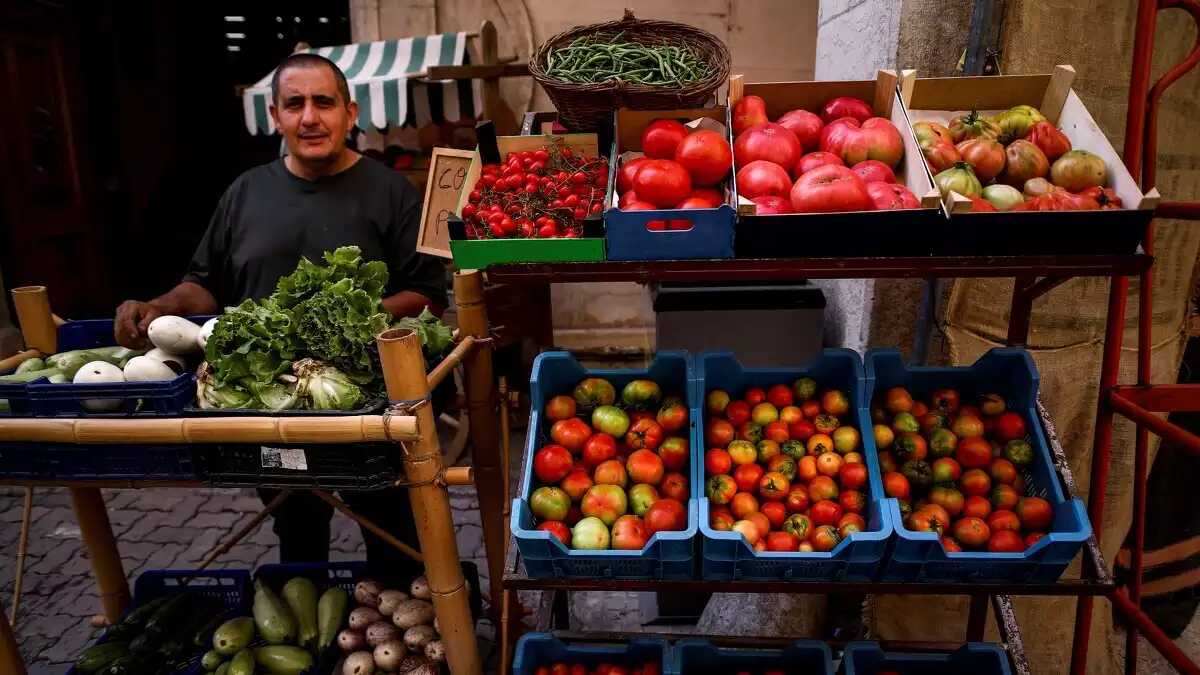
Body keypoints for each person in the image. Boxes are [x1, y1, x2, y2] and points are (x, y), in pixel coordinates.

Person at [113, 53, 446, 581]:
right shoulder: (245, 191)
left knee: (390, 523)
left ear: (350, 112)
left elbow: (428, 296)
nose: (309, 117)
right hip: (265, 398)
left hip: (363, 402)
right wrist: (159, 307)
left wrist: (335, 321)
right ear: (276, 116)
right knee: (294, 520)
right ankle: (311, 627)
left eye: (323, 102)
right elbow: (205, 285)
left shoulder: (390, 191)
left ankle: (401, 620)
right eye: (295, 104)